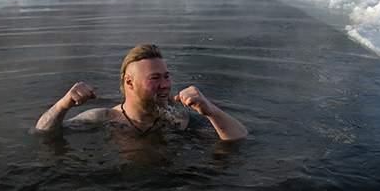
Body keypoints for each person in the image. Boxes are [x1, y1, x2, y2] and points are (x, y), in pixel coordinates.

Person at [34, 44, 248, 141]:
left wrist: (211, 111)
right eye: (155, 78)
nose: (165, 85)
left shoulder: (179, 119)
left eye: (166, 76)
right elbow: (42, 133)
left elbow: (239, 139)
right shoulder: (103, 118)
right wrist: (64, 104)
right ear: (129, 82)